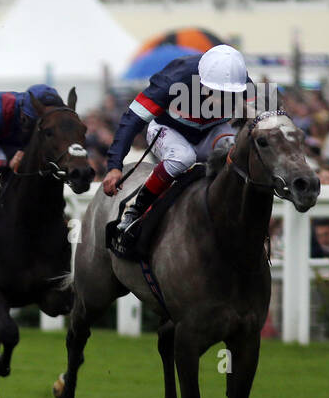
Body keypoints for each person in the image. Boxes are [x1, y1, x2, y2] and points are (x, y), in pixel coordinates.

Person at [103, 44, 254, 248]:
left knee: (237, 151)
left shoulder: (241, 80)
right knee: (183, 157)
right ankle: (135, 211)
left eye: (229, 93)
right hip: (168, 130)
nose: (222, 100)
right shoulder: (173, 79)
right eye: (217, 92)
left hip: (211, 132)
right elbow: (132, 119)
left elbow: (270, 121)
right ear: (201, 81)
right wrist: (114, 165)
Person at [0, 84, 64, 171]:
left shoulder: (26, 110)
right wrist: (7, 163)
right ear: (22, 111)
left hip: (8, 140)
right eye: (32, 122)